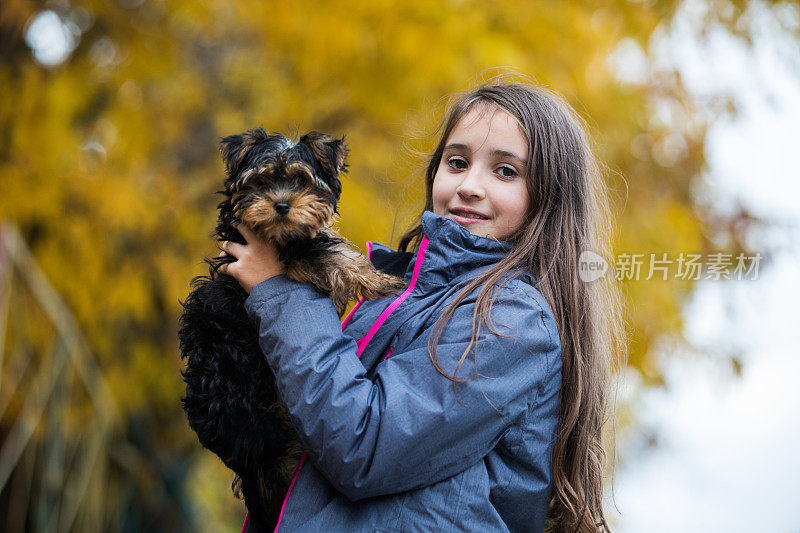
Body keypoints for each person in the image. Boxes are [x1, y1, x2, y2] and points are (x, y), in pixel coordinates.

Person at [219, 80, 626, 532]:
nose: (470, 185)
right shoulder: (399, 293)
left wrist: (280, 288)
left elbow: (362, 445)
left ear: (549, 199)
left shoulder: (511, 321)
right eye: (457, 162)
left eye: (506, 171)